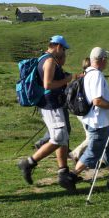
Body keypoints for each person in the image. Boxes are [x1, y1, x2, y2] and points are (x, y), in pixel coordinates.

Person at [17, 35, 81, 191]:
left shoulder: (45, 59)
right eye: (64, 49)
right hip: (51, 105)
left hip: (52, 104)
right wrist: (67, 79)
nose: (64, 52)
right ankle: (29, 162)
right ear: (58, 47)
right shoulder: (50, 61)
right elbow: (48, 84)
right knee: (59, 137)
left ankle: (63, 172)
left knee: (63, 137)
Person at [71, 47, 109, 191]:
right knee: (93, 152)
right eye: (106, 59)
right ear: (101, 60)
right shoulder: (97, 76)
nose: (107, 61)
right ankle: (71, 176)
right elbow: (97, 101)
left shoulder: (88, 73)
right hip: (97, 122)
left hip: (97, 120)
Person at [33, 50, 72, 151]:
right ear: (60, 58)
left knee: (58, 129)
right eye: (64, 57)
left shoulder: (54, 66)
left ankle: (61, 152)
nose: (65, 60)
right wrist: (67, 79)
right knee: (63, 128)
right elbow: (49, 84)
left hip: (52, 101)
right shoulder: (51, 64)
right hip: (54, 101)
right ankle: (41, 145)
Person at [68, 57, 93, 163]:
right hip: (86, 112)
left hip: (79, 111)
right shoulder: (89, 79)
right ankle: (76, 153)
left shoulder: (79, 78)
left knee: (91, 136)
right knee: (93, 136)